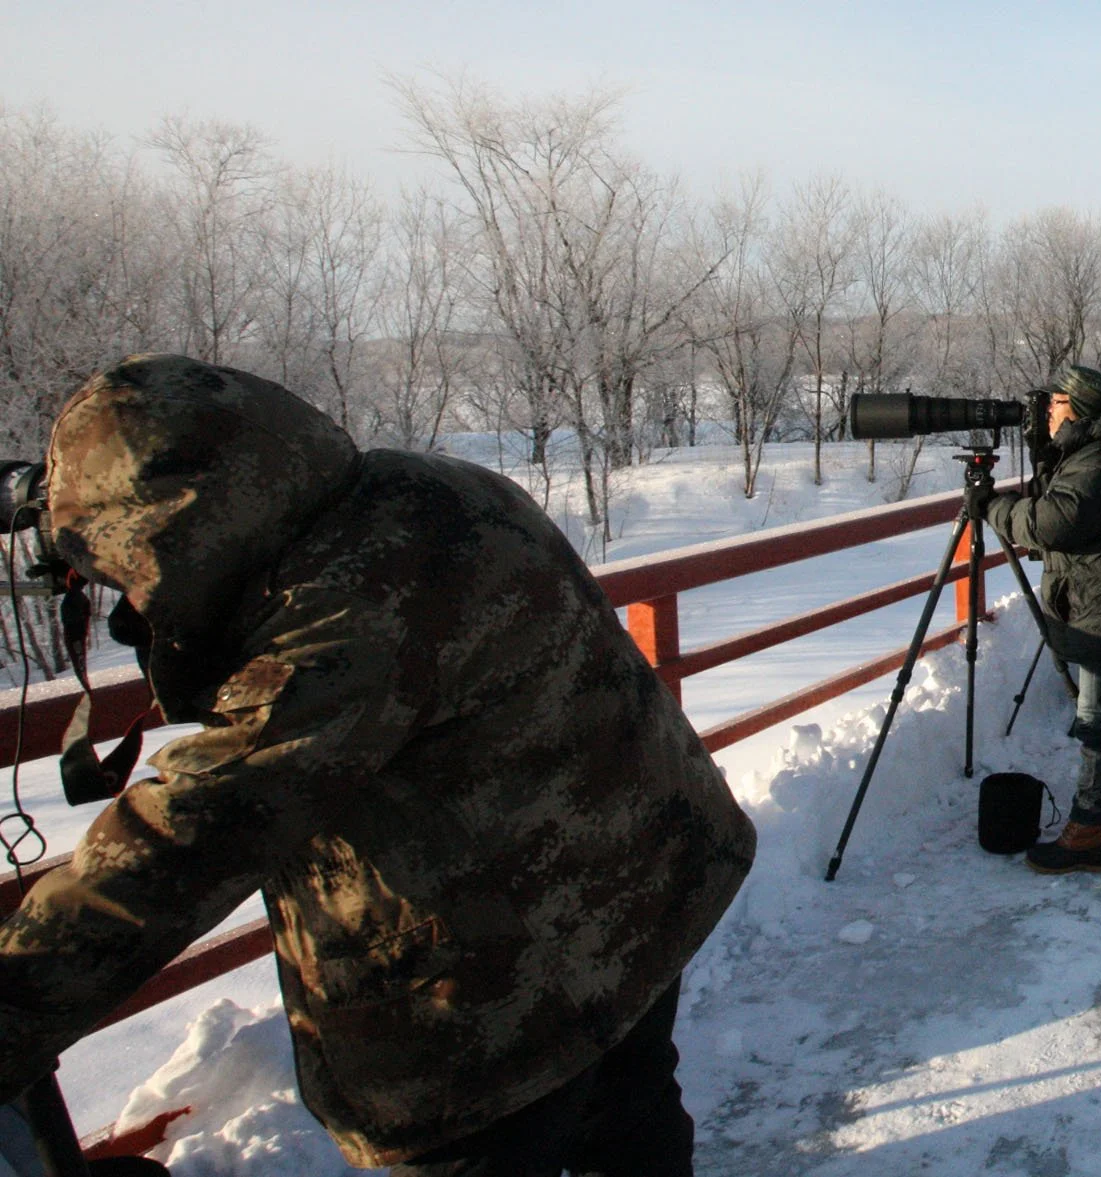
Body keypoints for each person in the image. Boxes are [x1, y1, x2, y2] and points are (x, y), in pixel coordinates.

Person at [0, 355, 757, 1175]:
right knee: (630, 1110)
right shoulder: (421, 485)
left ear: (180, 524)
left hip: (497, 1000)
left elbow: (181, 840)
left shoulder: (335, 622)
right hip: (639, 879)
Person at [988, 365, 1101, 872]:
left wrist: (993, 508)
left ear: (1078, 410)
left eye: (1055, 404)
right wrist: (1048, 453)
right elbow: (1067, 505)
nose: (1047, 412)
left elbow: (1051, 523)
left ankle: (1090, 830)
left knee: (1097, 724)